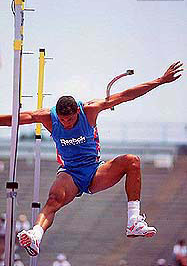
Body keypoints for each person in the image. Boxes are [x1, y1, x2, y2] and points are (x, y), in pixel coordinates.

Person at [0, 61, 183, 257]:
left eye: (69, 120)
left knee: (132, 161)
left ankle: (134, 220)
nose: (66, 124)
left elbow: (125, 95)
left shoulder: (90, 110)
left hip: (95, 171)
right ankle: (36, 235)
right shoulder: (48, 117)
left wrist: (161, 80)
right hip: (70, 172)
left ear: (77, 112)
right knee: (54, 199)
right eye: (62, 121)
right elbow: (15, 120)